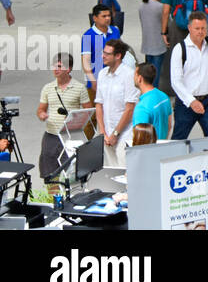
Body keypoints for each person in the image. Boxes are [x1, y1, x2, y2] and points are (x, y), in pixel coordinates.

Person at [37, 53, 93, 183]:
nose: (55, 69)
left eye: (59, 66)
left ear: (68, 69)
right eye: (54, 66)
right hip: (51, 135)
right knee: (49, 174)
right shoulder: (48, 88)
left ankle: (69, 198)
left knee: (71, 173)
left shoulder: (79, 88)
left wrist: (75, 118)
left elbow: (89, 111)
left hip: (70, 136)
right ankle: (53, 199)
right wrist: (42, 114)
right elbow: (41, 109)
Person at [169, 12, 208, 138]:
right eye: (197, 28)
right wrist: (192, 101)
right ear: (189, 28)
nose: (201, 32)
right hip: (186, 103)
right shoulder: (180, 49)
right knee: (178, 141)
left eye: (203, 28)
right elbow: (175, 81)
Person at [95, 39, 139, 168]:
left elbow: (129, 109)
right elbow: (99, 104)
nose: (103, 56)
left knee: (123, 170)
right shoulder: (102, 74)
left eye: (107, 54)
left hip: (125, 133)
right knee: (110, 171)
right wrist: (103, 133)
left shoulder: (129, 75)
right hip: (106, 134)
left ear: (118, 56)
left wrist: (115, 134)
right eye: (103, 52)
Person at [131, 62, 172, 141]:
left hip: (149, 151)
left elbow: (140, 139)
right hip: (163, 147)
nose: (133, 78)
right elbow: (169, 125)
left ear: (140, 78)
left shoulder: (142, 107)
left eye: (134, 75)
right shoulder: (164, 97)